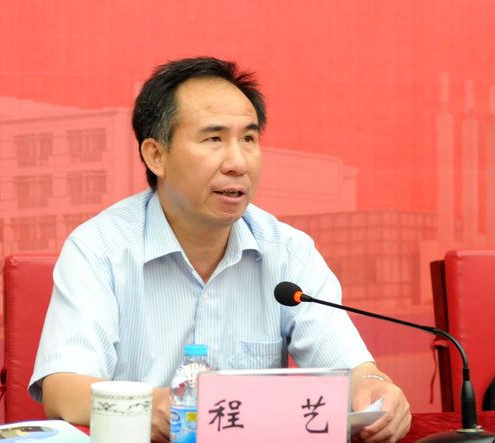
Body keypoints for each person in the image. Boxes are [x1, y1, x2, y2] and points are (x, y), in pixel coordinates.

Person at [29, 56, 411, 442]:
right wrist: (148, 405)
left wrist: (375, 388)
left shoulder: (289, 253)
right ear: (156, 155)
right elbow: (63, 389)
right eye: (214, 139)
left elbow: (353, 370)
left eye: (249, 139)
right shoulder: (99, 249)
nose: (238, 163)